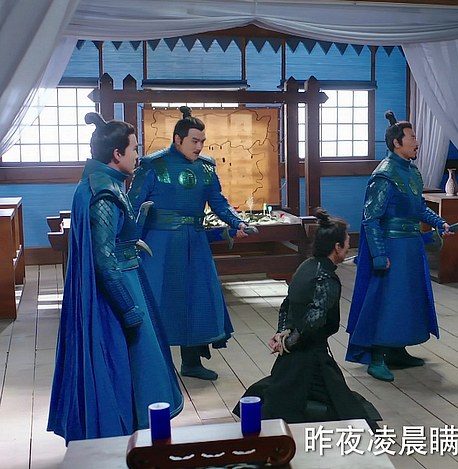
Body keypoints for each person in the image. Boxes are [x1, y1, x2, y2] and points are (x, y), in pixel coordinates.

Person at [48, 113, 183, 443]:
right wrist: (129, 309)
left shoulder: (99, 183)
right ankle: (120, 437)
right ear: (117, 154)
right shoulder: (104, 194)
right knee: (131, 364)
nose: (138, 155)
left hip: (122, 280)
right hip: (116, 290)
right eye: (134, 149)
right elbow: (105, 262)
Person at [127, 106, 248, 381]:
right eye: (194, 141)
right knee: (158, 301)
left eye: (202, 141)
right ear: (178, 139)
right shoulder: (153, 165)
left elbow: (219, 202)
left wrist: (237, 222)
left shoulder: (206, 167)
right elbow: (134, 207)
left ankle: (191, 362)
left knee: (196, 299)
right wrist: (129, 242)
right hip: (159, 246)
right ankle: (154, 367)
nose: (199, 146)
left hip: (195, 243)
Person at [234, 208, 381, 425]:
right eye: (347, 243)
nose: (348, 247)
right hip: (311, 356)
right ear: (337, 247)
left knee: (284, 392)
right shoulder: (326, 279)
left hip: (292, 356)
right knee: (342, 404)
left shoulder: (306, 266)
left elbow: (287, 305)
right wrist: (287, 342)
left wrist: (282, 334)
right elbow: (313, 322)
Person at [346, 111, 452, 382]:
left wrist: (440, 223)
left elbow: (419, 208)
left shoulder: (412, 172)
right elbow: (371, 219)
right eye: (412, 137)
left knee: (408, 299)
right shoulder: (384, 175)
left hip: (410, 248)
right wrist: (379, 254)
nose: (417, 142)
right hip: (391, 247)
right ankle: (377, 356)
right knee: (386, 301)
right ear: (397, 143)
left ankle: (397, 349)